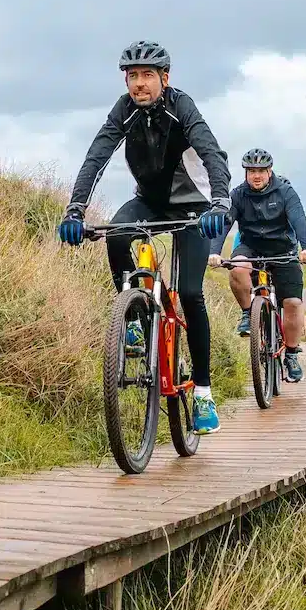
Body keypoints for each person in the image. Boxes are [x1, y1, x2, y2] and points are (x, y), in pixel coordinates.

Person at [58, 41, 232, 433]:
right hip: (150, 204)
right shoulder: (124, 109)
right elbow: (96, 157)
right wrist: (75, 209)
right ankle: (134, 315)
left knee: (191, 294)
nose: (139, 83)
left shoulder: (181, 107)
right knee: (117, 236)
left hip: (195, 208)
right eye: (132, 76)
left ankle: (203, 393)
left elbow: (212, 155)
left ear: (164, 78)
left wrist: (220, 202)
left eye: (147, 75)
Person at [210, 148, 306, 383]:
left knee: (292, 302)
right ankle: (247, 313)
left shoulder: (285, 192)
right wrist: (214, 252)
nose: (256, 175)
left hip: (283, 250)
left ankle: (291, 354)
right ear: (246, 173)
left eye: (261, 171)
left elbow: (299, 219)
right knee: (237, 267)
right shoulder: (238, 195)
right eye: (251, 171)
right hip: (251, 247)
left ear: (270, 172)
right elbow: (225, 223)